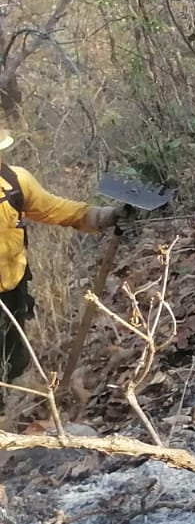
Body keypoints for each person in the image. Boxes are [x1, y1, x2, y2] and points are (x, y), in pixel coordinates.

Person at [0, 131, 127, 382]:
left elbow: (56, 209)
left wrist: (104, 216)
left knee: (14, 361)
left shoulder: (15, 181)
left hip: (12, 291)